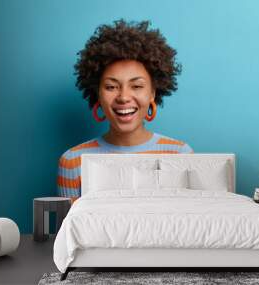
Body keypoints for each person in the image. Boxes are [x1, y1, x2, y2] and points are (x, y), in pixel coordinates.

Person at [57, 19, 193, 202]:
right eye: (111, 87)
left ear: (153, 93)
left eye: (136, 86)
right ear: (97, 93)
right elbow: (69, 230)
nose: (123, 97)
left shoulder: (180, 154)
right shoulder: (73, 161)